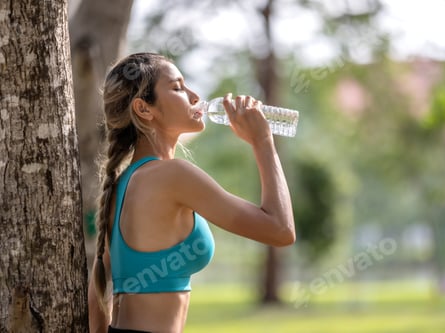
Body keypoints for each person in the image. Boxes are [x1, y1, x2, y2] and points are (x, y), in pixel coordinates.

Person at [88, 52, 295, 333]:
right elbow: (280, 229)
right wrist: (263, 140)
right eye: (177, 88)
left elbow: (98, 288)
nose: (195, 96)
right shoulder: (173, 175)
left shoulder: (122, 183)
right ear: (144, 109)